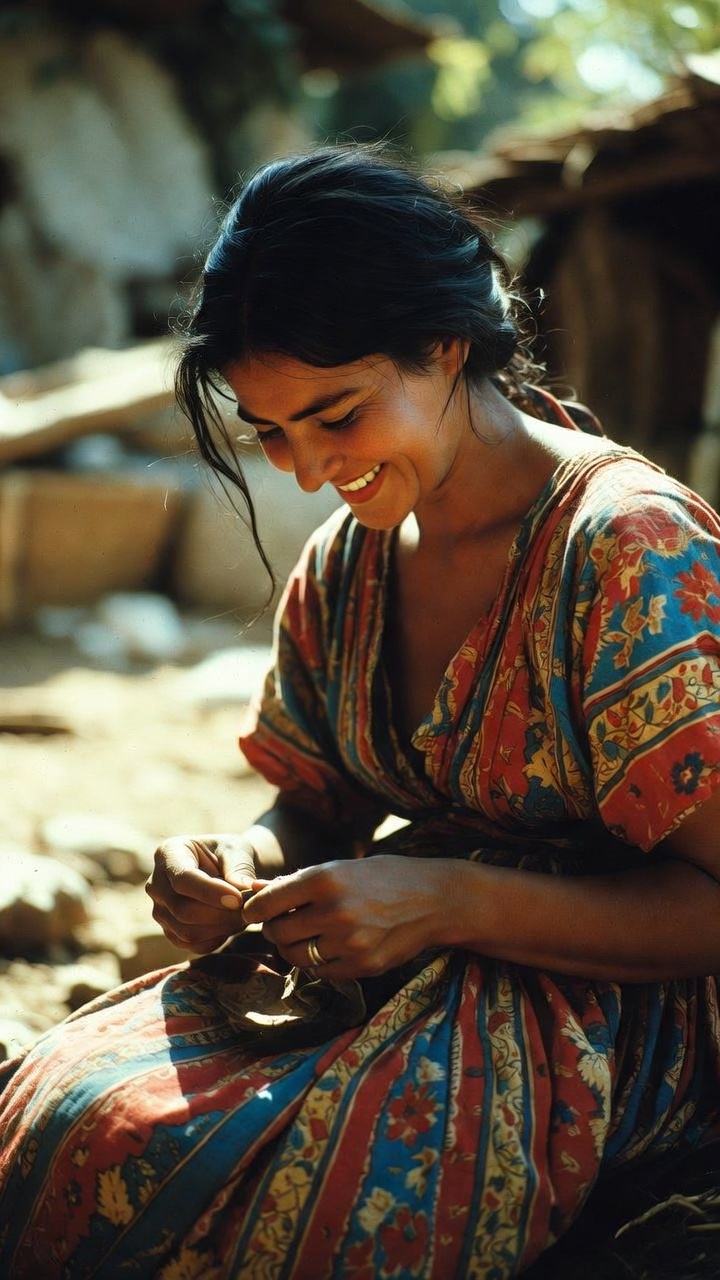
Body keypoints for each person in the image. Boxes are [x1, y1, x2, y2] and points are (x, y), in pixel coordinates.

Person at [1, 145, 719, 1280]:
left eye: (334, 414)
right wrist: (237, 862)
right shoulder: (353, 560)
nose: (305, 472)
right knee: (66, 1111)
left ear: (443, 345)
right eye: (273, 432)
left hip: (621, 1010)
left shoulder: (628, 548)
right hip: (400, 960)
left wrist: (446, 899)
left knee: (313, 1201)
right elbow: (311, 806)